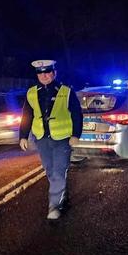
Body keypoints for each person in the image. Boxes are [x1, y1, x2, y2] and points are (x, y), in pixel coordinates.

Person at [19, 60, 83, 220]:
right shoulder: (32, 92)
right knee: (50, 171)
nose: (44, 75)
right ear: (37, 75)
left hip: (62, 139)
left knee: (59, 171)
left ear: (54, 73)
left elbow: (76, 113)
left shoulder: (66, 91)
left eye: (48, 72)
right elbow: (27, 115)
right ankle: (62, 197)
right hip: (42, 139)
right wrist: (23, 136)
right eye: (41, 73)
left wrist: (76, 134)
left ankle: (54, 206)